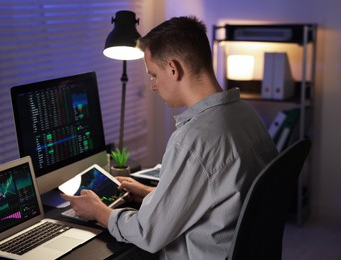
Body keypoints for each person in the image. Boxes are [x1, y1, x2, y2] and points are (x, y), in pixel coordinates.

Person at [61, 16, 278, 259]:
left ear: (173, 69)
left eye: (153, 74)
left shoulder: (192, 140)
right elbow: (218, 188)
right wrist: (153, 193)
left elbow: (147, 233)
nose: (152, 86)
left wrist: (99, 211)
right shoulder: (246, 113)